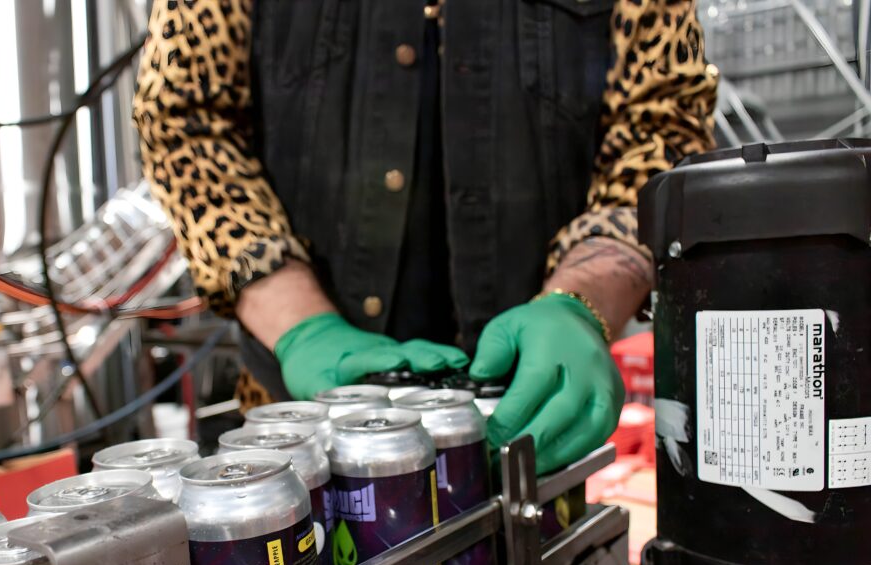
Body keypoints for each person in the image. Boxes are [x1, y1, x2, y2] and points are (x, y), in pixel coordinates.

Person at [133, 0, 716, 473]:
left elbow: (664, 127)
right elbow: (183, 118)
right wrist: (299, 322)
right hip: (297, 445)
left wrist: (585, 297)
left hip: (532, 441)